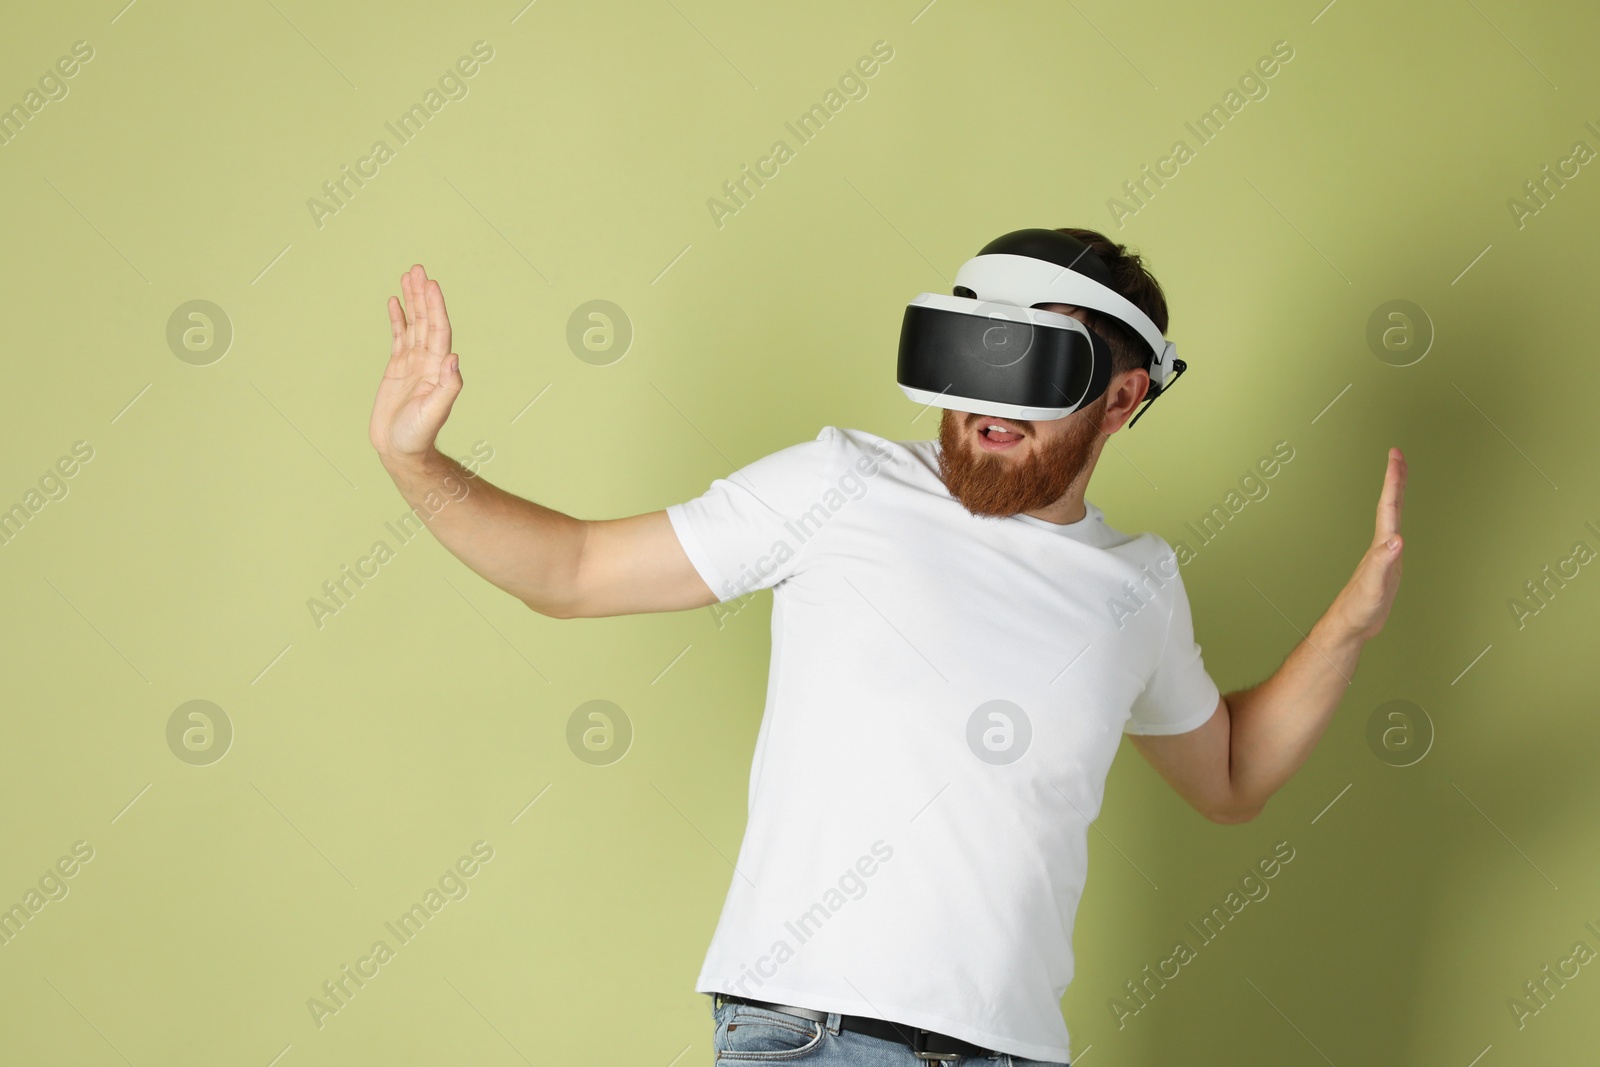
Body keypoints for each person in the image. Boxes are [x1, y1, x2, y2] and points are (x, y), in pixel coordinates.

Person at [369, 231, 1406, 1065]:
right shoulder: (840, 485)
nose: (989, 404)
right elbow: (576, 571)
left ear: (1123, 396)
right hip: (815, 1035)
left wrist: (1348, 624)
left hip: (1013, 1049)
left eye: (1035, 367)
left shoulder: (1138, 583)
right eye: (973, 354)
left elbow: (1227, 774)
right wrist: (416, 460)